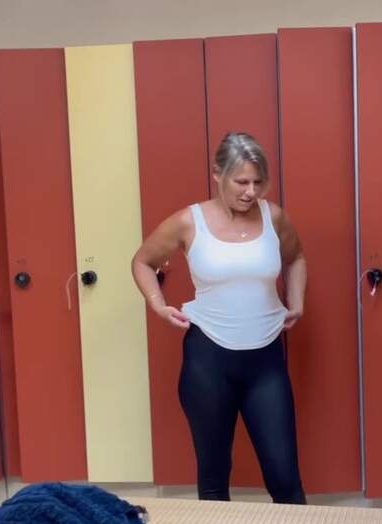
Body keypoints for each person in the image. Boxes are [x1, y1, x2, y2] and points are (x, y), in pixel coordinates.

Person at [131, 132, 307, 504]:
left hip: (265, 361)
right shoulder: (188, 222)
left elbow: (296, 257)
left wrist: (297, 300)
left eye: (258, 182)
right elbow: (143, 261)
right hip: (208, 362)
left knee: (285, 477)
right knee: (213, 477)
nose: (250, 191)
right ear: (217, 174)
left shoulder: (274, 217)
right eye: (241, 182)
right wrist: (158, 305)